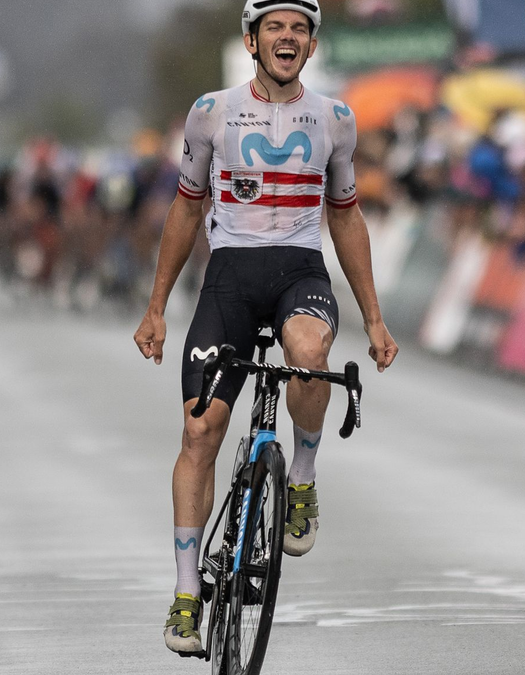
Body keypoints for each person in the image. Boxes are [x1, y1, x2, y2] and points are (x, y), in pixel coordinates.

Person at [132, 0, 399, 655]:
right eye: (274, 27)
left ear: (311, 46)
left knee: (309, 351)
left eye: (299, 29)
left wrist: (373, 317)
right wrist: (157, 305)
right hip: (229, 279)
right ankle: (187, 595)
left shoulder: (335, 120)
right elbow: (185, 209)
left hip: (299, 273)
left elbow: (346, 217)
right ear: (251, 41)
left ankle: (300, 476)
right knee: (201, 429)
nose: (287, 37)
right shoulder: (211, 112)